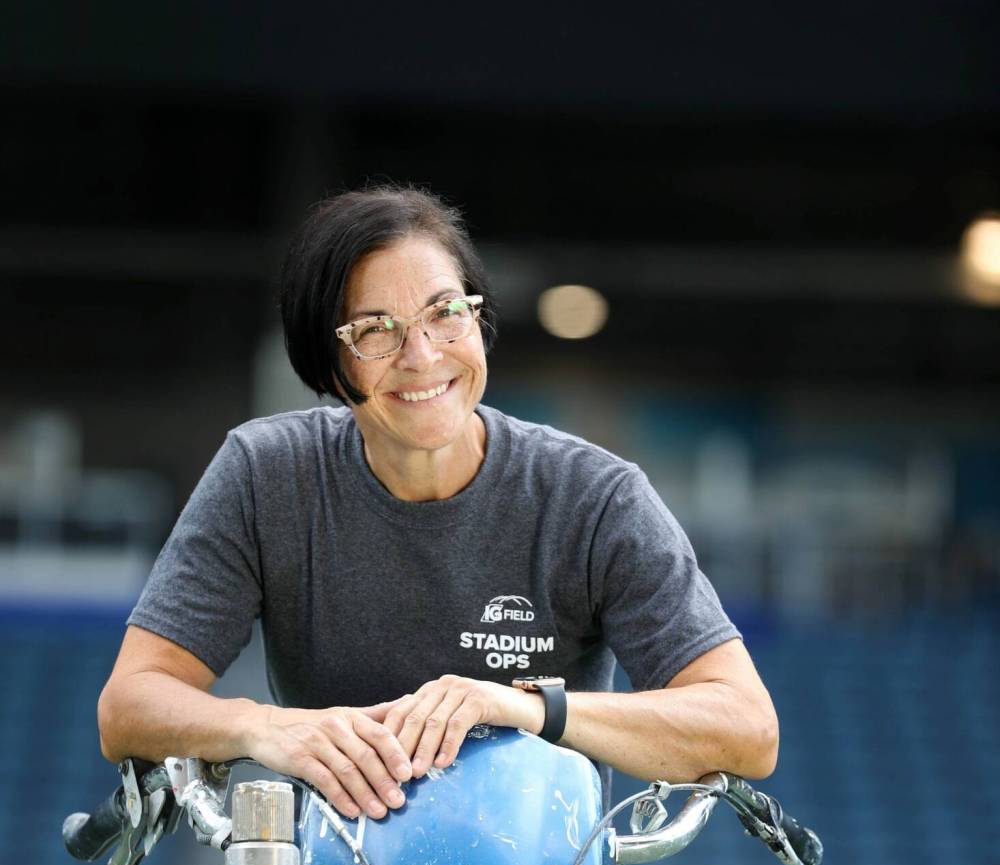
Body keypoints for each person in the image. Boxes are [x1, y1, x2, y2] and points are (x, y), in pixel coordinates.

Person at [97, 185, 779, 820]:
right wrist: (263, 727)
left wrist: (522, 707)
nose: (422, 357)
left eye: (446, 313)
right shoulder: (266, 475)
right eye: (375, 329)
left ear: (479, 319)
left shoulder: (595, 498)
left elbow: (748, 730)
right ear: (326, 360)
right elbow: (128, 705)